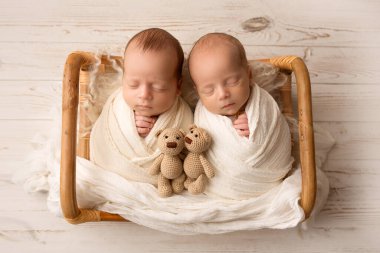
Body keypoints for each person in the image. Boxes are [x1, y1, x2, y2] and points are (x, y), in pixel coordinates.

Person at [187, 33, 294, 199]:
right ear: (197, 91)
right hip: (221, 185)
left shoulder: (262, 103)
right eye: (209, 90)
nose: (223, 94)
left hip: (268, 177)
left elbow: (276, 128)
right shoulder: (202, 115)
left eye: (231, 82)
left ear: (248, 75)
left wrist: (257, 125)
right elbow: (198, 147)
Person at [89, 28, 193, 184]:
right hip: (112, 178)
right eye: (133, 84)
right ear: (124, 79)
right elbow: (105, 134)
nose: (144, 94)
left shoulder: (182, 114)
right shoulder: (117, 106)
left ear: (178, 86)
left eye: (158, 87)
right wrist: (130, 128)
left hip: (163, 186)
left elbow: (188, 152)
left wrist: (158, 134)